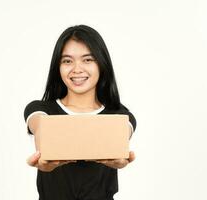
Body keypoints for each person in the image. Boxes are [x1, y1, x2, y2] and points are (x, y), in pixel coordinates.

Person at [24, 25, 137, 200]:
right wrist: (44, 157)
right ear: (58, 66)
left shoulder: (120, 116)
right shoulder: (41, 110)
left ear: (101, 63)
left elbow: (124, 130)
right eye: (67, 61)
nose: (77, 69)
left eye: (87, 60)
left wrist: (120, 159)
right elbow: (40, 126)